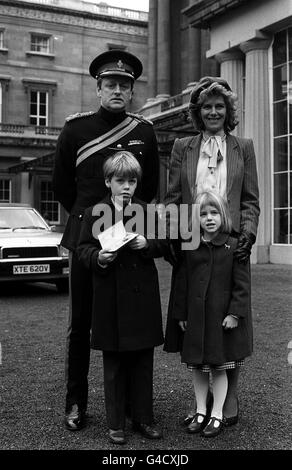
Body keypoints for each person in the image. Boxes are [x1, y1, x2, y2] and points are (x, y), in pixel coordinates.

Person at [52, 49, 160, 431]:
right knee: (80, 324)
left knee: (129, 321)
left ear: (131, 92)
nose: (117, 90)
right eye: (110, 84)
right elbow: (63, 185)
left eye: (124, 85)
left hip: (129, 240)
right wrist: (89, 221)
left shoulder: (144, 131)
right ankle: (76, 403)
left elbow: (150, 189)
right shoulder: (75, 130)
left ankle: (133, 408)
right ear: (98, 88)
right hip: (87, 239)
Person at [163, 76, 260, 426]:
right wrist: (171, 237)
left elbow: (250, 200)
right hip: (193, 243)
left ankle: (227, 396)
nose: (214, 111)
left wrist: (248, 234)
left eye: (220, 106)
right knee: (196, 317)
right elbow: (172, 197)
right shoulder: (182, 147)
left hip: (231, 243)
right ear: (198, 112)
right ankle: (202, 402)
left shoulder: (243, 147)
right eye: (207, 106)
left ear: (228, 110)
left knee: (229, 317)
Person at [77, 151, 167, 444]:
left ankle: (143, 419)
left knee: (143, 362)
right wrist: (99, 257)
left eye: (132, 181)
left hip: (142, 297)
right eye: (120, 181)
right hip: (110, 297)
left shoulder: (147, 211)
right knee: (114, 364)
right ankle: (116, 423)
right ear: (108, 182)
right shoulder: (93, 212)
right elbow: (83, 249)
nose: (127, 186)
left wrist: (148, 243)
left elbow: (165, 244)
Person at [170, 191, 252, 437]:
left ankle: (217, 413)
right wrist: (181, 314)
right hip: (196, 319)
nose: (209, 218)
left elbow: (242, 285)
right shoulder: (191, 245)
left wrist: (235, 314)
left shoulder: (234, 245)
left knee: (219, 368)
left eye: (214, 212)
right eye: (203, 214)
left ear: (223, 215)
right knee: (198, 368)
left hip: (220, 320)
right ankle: (200, 411)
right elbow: (182, 283)